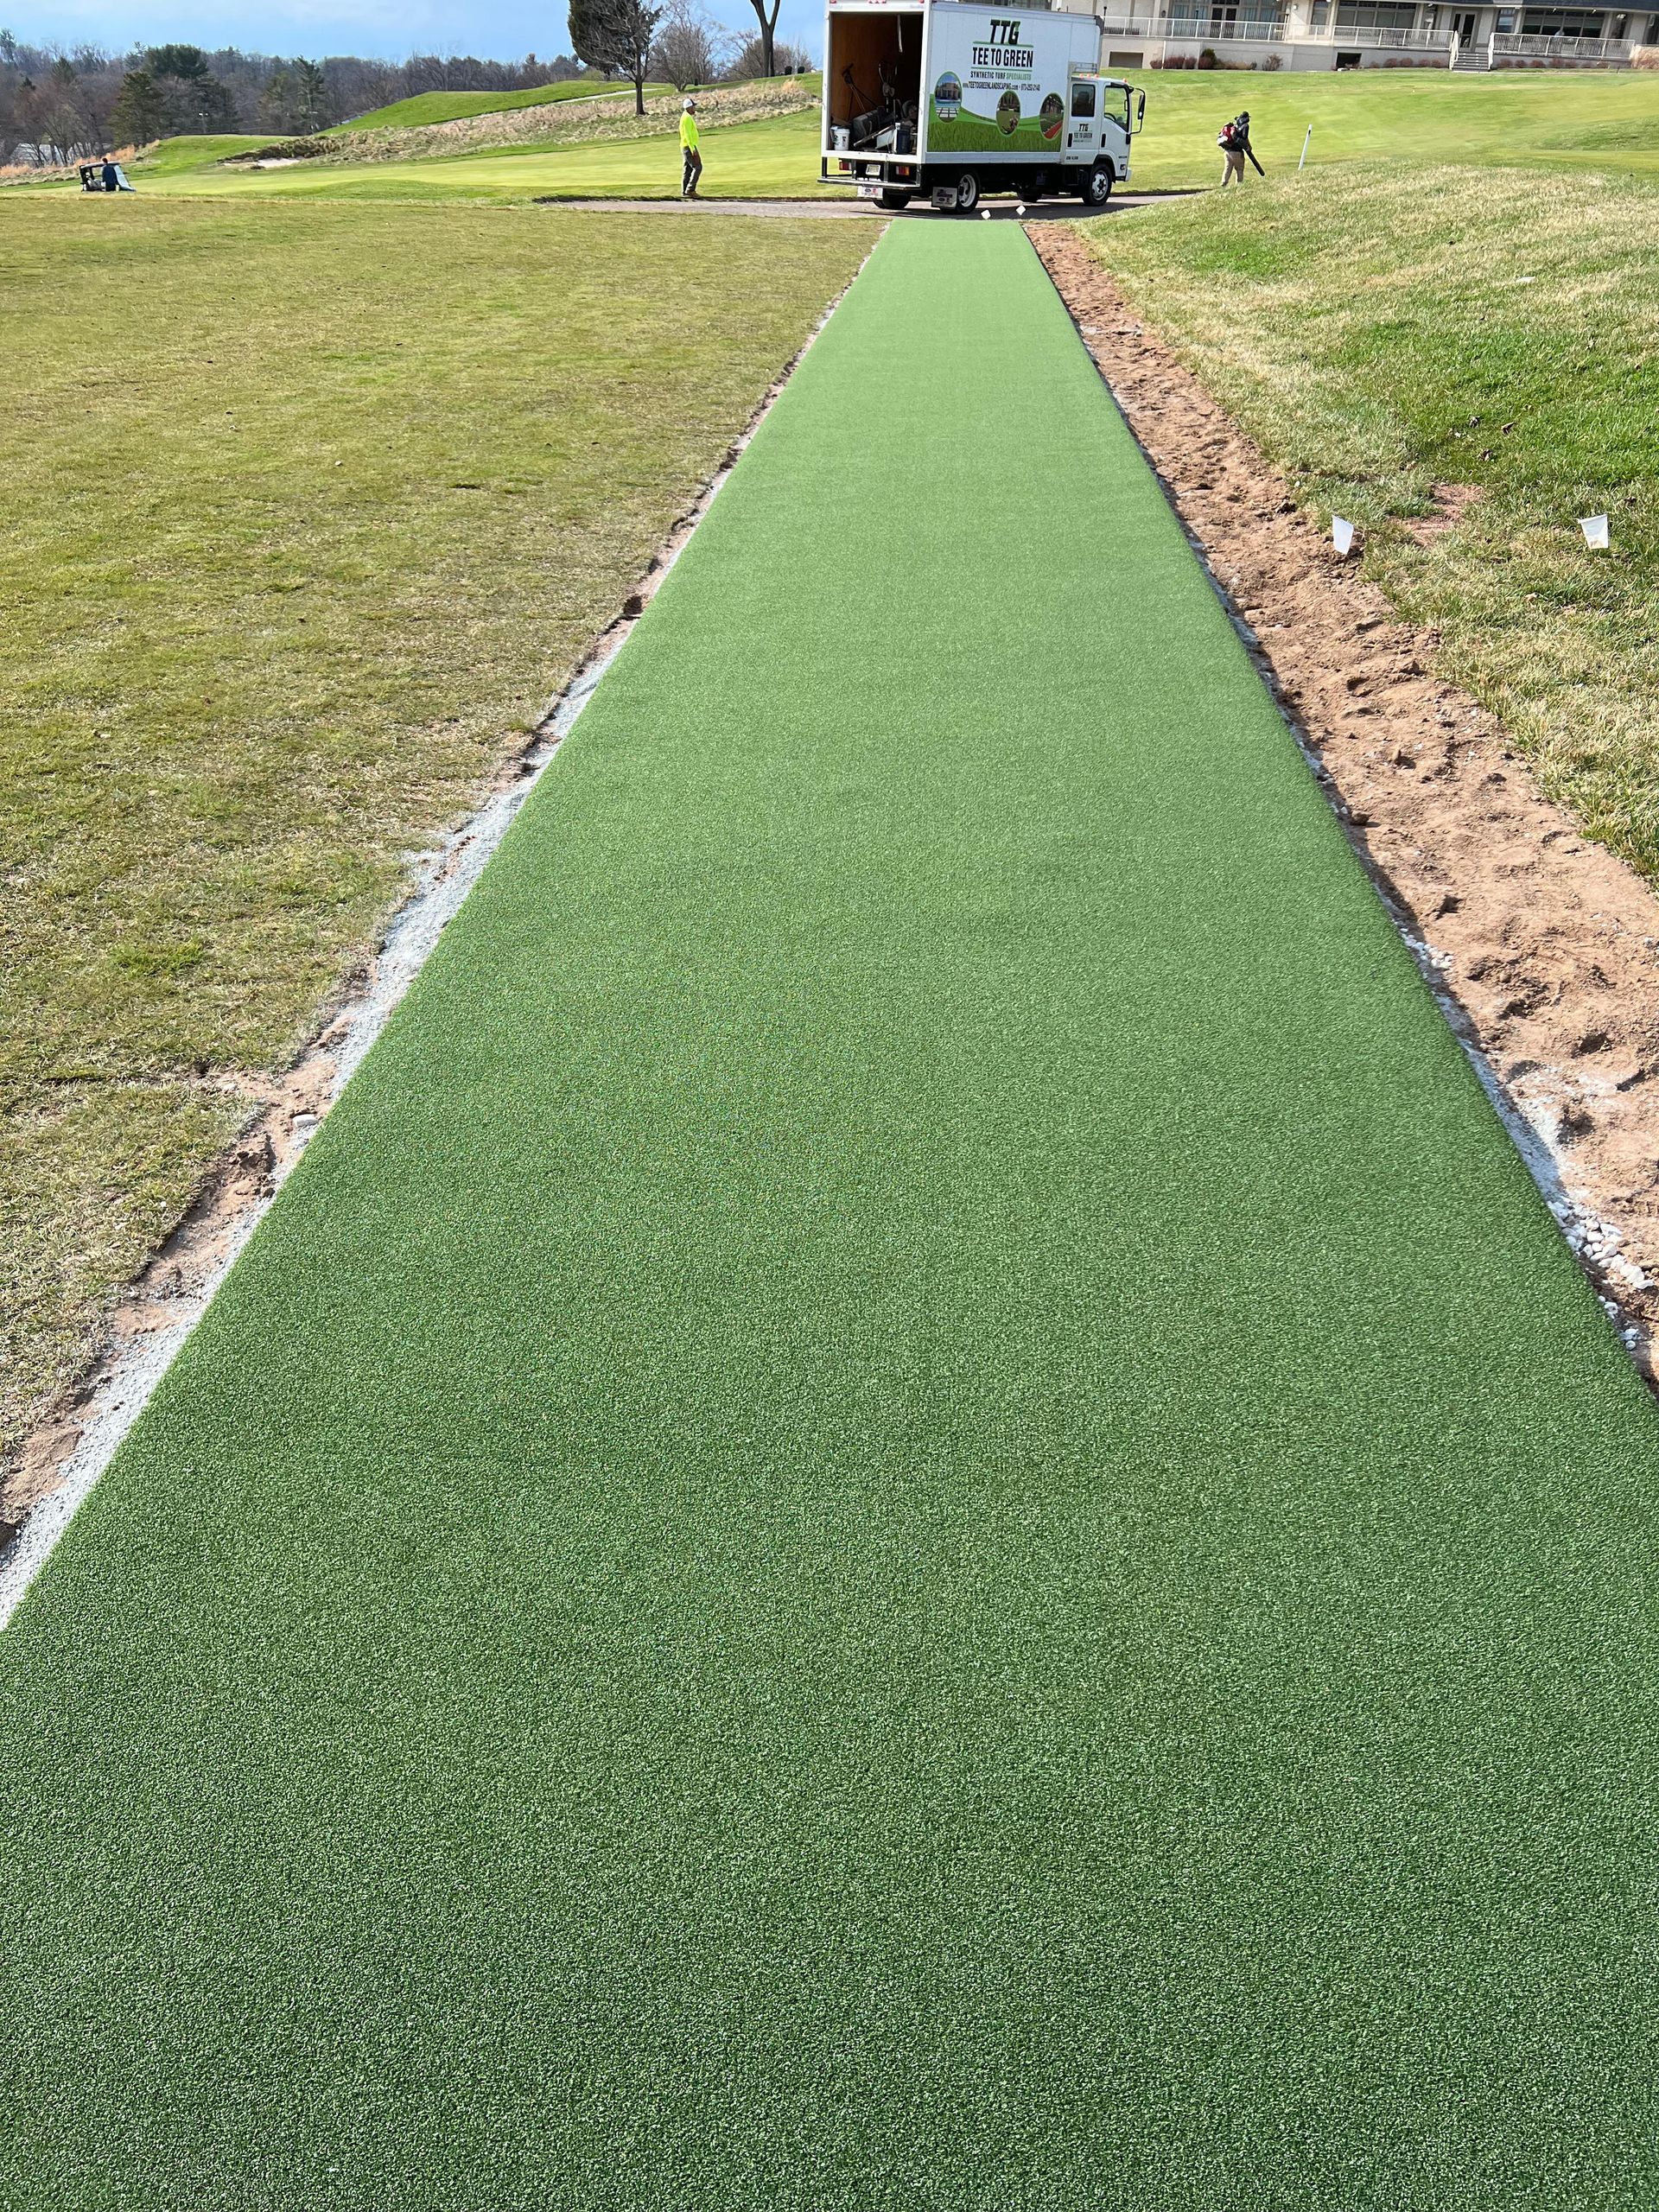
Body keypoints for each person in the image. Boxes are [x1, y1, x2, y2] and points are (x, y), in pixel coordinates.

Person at [1218, 111, 1262, 186]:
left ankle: (1224, 182)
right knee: (1239, 169)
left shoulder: (1234, 126)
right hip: (1237, 153)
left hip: (1227, 152)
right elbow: (1245, 137)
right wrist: (1248, 146)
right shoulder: (1245, 126)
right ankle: (1239, 185)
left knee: (1228, 168)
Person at [680, 99, 702, 200]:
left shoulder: (685, 116)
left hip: (686, 146)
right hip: (689, 146)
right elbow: (688, 135)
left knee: (688, 170)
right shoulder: (687, 118)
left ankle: (685, 191)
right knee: (697, 167)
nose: (694, 108)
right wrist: (693, 149)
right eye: (693, 106)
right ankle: (690, 189)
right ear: (689, 107)